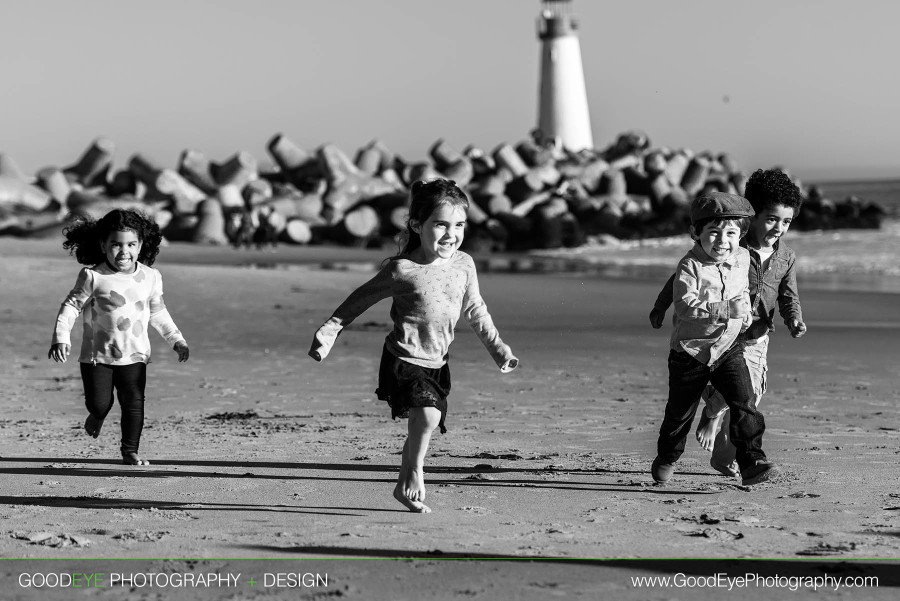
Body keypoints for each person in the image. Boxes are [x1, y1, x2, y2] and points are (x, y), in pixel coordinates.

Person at [309, 179, 518, 513]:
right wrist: (329, 331)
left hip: (438, 361)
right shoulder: (402, 270)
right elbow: (358, 301)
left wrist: (498, 348)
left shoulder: (464, 264)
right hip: (403, 359)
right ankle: (416, 472)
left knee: (426, 422)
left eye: (459, 225)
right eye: (441, 225)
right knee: (427, 416)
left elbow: (476, 310)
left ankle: (403, 479)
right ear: (418, 225)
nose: (451, 234)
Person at [650, 169, 805, 477]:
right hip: (716, 338)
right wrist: (661, 306)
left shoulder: (785, 256)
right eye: (772, 218)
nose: (778, 228)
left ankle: (742, 460)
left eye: (786, 222)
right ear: (753, 215)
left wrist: (794, 318)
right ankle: (686, 441)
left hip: (756, 335)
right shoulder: (731, 247)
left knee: (749, 400)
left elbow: (789, 295)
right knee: (695, 408)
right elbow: (681, 282)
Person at [48, 209, 189, 466]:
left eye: (131, 244)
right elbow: (71, 306)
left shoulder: (150, 277)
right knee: (100, 404)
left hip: (135, 354)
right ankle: (98, 415)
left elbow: (158, 312)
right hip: (96, 356)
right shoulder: (93, 276)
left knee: (134, 402)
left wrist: (176, 339)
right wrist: (61, 337)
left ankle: (130, 451)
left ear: (141, 245)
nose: (124, 251)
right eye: (116, 244)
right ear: (103, 245)